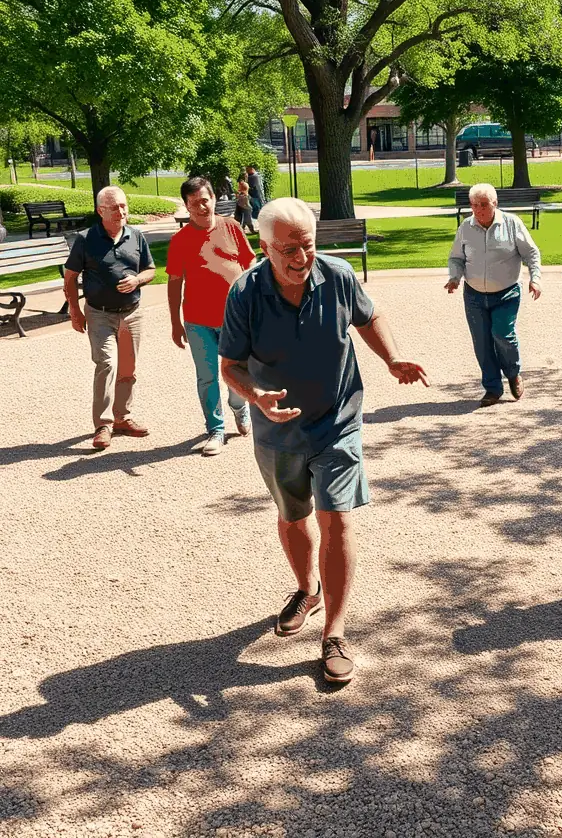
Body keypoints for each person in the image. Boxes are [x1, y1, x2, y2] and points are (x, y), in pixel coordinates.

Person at [219, 197, 429, 684]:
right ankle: (306, 590)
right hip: (277, 430)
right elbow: (229, 366)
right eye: (288, 249)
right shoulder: (245, 293)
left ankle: (334, 631)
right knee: (294, 517)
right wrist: (258, 399)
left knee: (337, 519)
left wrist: (392, 358)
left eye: (307, 246)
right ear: (264, 247)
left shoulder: (336, 275)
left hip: (337, 421)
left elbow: (369, 317)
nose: (300, 258)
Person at [166, 177, 257, 457]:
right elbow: (174, 282)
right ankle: (215, 429)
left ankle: (239, 406)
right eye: (194, 203)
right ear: (186, 206)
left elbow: (249, 260)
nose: (202, 207)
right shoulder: (180, 240)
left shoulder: (231, 226)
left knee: (238, 371)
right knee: (207, 377)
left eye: (205, 200)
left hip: (234, 318)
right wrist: (174, 322)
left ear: (213, 199)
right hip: (197, 320)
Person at [63, 186, 155, 449]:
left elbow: (150, 269)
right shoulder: (85, 239)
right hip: (99, 314)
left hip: (132, 313)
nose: (122, 211)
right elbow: (70, 278)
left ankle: (123, 418)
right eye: (115, 207)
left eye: (124, 206)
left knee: (128, 368)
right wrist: (74, 310)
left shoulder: (136, 236)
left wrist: (137, 280)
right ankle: (103, 425)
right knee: (106, 364)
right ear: (100, 211)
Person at [446, 182, 542, 406]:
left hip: (506, 293)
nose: (478, 210)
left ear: (495, 203)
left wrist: (535, 279)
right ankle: (492, 388)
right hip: (474, 295)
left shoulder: (511, 223)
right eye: (473, 205)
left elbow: (531, 253)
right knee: (482, 342)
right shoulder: (466, 227)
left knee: (502, 333)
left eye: (483, 204)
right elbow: (456, 258)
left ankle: (513, 373)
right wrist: (454, 277)